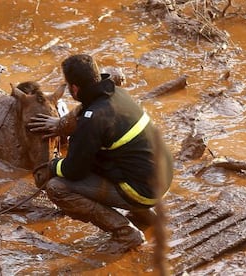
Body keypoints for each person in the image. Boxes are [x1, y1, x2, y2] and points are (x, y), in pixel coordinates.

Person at [28, 54, 173, 254]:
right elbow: (82, 111)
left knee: (57, 187)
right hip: (161, 179)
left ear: (75, 88)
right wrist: (60, 125)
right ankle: (147, 215)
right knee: (114, 158)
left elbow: (73, 171)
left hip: (142, 190)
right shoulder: (116, 95)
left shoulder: (92, 120)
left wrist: (52, 165)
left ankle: (125, 233)